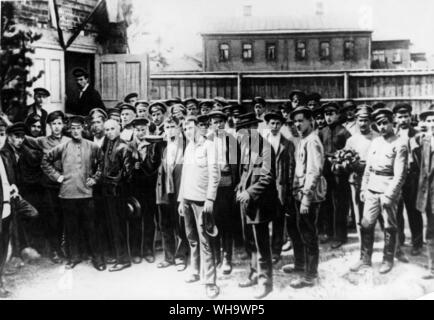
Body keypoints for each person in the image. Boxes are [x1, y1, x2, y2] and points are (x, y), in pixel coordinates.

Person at [41, 116, 105, 271]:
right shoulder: (63, 146)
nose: (76, 131)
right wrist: (57, 177)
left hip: (86, 194)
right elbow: (45, 161)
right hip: (67, 194)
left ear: (83, 128)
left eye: (78, 128)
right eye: (73, 128)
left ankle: (97, 258)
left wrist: (95, 178)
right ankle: (74, 257)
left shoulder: (92, 146)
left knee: (91, 227)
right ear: (69, 129)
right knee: (71, 228)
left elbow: (102, 164)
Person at [350, 108, 408, 274]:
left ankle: (387, 259)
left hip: (387, 190)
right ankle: (364, 259)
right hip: (372, 189)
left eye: (385, 123)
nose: (382, 127)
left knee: (389, 226)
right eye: (379, 123)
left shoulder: (400, 144)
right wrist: (363, 188)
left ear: (392, 123)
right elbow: (368, 168)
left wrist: (390, 195)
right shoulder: (376, 142)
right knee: (366, 223)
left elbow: (400, 174)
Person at [178, 116, 220, 299]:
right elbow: (185, 175)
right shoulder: (188, 148)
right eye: (185, 129)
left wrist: (210, 199)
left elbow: (215, 174)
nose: (188, 131)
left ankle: (210, 282)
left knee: (205, 241)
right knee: (191, 238)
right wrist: (181, 200)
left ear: (199, 129)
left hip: (202, 201)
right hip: (187, 199)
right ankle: (195, 271)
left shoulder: (209, 146)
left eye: (191, 128)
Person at [236, 112, 277, 299]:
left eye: (245, 131)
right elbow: (245, 172)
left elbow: (267, 177)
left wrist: (249, 192)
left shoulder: (265, 148)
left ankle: (265, 282)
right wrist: (240, 188)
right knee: (249, 242)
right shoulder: (247, 147)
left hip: (260, 204)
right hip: (246, 203)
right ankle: (253, 274)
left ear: (254, 128)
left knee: (261, 245)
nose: (242, 136)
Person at [287, 106, 326, 288]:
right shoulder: (303, 140)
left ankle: (310, 275)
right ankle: (300, 264)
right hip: (299, 192)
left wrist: (306, 198)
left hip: (307, 195)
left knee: (309, 235)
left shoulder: (312, 141)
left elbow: (314, 171)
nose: (298, 124)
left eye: (301, 120)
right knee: (299, 231)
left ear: (310, 120)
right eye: (295, 121)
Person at [0, 124, 38, 297]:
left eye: (1, 134)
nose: (19, 140)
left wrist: (12, 188)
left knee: (3, 244)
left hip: (10, 200)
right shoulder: (5, 153)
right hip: (4, 202)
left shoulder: (7, 155)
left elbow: (7, 180)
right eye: (15, 136)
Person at [30, 111, 70, 263]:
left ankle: (64, 248)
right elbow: (24, 139)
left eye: (59, 123)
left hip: (66, 185)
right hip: (49, 186)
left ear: (64, 125)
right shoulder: (42, 141)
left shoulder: (69, 140)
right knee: (52, 218)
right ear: (49, 126)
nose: (57, 127)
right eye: (54, 124)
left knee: (64, 217)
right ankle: (54, 250)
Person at [207, 109, 239, 274]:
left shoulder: (231, 140)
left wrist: (236, 185)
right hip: (211, 187)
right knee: (213, 221)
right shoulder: (206, 140)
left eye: (220, 121)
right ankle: (216, 255)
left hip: (226, 184)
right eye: (214, 121)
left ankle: (227, 256)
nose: (218, 124)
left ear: (225, 122)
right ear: (210, 124)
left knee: (227, 223)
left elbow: (236, 167)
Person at [156, 116, 189, 271]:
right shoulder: (161, 146)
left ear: (179, 127)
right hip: (163, 191)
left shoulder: (187, 145)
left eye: (173, 126)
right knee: (165, 225)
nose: (170, 130)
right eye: (167, 127)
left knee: (180, 225)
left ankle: (181, 256)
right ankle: (169, 257)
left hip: (180, 190)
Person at [318, 102, 352, 249]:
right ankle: (328, 232)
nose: (328, 117)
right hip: (325, 171)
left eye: (332, 114)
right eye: (326, 114)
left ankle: (340, 235)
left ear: (338, 115)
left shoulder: (344, 132)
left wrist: (339, 159)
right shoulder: (322, 132)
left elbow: (349, 152)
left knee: (340, 204)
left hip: (340, 172)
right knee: (326, 202)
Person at [127, 118, 161, 264]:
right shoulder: (128, 146)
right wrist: (132, 168)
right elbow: (125, 168)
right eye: (138, 130)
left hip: (149, 188)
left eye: (143, 130)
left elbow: (155, 167)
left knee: (149, 220)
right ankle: (135, 252)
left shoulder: (153, 145)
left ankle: (148, 250)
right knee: (135, 219)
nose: (140, 133)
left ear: (147, 130)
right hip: (134, 189)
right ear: (133, 130)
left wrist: (144, 164)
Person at [263, 110, 295, 265]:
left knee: (278, 220)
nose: (275, 126)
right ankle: (262, 251)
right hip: (264, 186)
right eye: (272, 123)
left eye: (278, 123)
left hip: (280, 186)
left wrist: (288, 188)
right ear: (267, 124)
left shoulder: (287, 143)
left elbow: (290, 168)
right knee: (262, 219)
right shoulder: (261, 141)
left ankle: (276, 251)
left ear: (282, 125)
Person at [100, 119, 132, 272]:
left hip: (118, 192)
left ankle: (123, 259)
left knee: (118, 226)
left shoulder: (124, 147)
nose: (109, 132)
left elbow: (128, 174)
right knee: (111, 225)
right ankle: (116, 255)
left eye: (112, 129)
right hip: (107, 192)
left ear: (119, 129)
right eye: (106, 129)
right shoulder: (107, 145)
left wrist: (115, 182)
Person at [393, 103, 423, 257]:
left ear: (411, 117)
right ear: (395, 118)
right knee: (396, 210)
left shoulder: (417, 134)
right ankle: (399, 240)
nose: (403, 119)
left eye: (406, 116)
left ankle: (417, 243)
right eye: (400, 117)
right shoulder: (392, 134)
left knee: (413, 211)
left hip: (412, 175)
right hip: (397, 176)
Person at [344, 105, 378, 238]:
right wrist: (351, 165)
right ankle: (361, 239)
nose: (363, 123)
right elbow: (346, 160)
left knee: (374, 210)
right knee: (358, 209)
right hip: (356, 179)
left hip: (374, 179)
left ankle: (372, 236)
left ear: (371, 121)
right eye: (360, 120)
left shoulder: (377, 138)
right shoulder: (351, 140)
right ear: (356, 121)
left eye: (366, 120)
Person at [415, 105, 434, 279]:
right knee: (431, 232)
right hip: (429, 195)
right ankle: (432, 269)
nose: (433, 123)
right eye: (429, 120)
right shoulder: (424, 140)